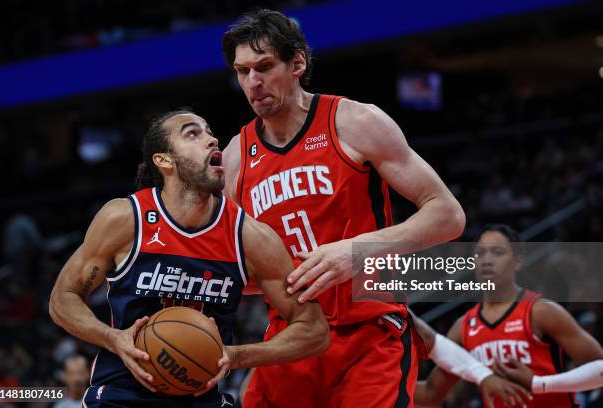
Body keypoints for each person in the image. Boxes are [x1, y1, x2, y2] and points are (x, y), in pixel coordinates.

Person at [221, 9, 527, 408]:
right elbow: (233, 270)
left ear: (297, 63)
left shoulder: (352, 121)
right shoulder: (235, 158)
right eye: (243, 72)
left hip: (368, 330)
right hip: (291, 337)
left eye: (264, 67)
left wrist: (356, 251)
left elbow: (447, 215)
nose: (253, 82)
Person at [49, 109, 329, 408]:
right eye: (193, 133)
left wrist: (237, 355)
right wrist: (112, 337)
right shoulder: (126, 219)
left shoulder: (249, 236)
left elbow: (314, 330)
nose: (211, 139)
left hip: (202, 397)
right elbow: (62, 298)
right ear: (164, 160)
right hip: (122, 396)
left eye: (209, 132)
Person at [415, 224, 603, 407]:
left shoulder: (540, 311)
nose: (487, 260)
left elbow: (600, 367)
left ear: (518, 261)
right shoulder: (463, 327)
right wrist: (385, 380)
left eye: (498, 252)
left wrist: (540, 383)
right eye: (480, 253)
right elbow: (431, 395)